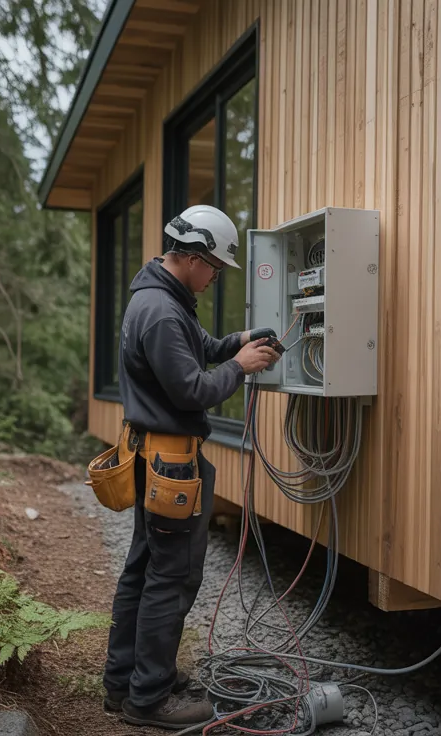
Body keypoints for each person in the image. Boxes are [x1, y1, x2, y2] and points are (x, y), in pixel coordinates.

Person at [101, 204, 280, 730]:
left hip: (154, 456)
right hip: (170, 464)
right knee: (170, 577)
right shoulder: (160, 310)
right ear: (195, 257)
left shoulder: (161, 299)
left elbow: (198, 350)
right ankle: (148, 699)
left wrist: (240, 343)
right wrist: (238, 369)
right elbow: (191, 388)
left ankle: (124, 680)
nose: (214, 278)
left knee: (144, 568)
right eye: (216, 268)